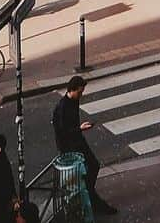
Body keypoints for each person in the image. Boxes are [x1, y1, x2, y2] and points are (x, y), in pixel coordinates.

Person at [52, 75, 116, 216]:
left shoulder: (73, 100)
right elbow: (62, 132)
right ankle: (88, 196)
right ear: (72, 90)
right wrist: (79, 129)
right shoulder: (62, 107)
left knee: (92, 166)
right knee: (90, 167)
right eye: (80, 92)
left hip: (77, 140)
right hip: (70, 146)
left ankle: (87, 194)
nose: (81, 95)